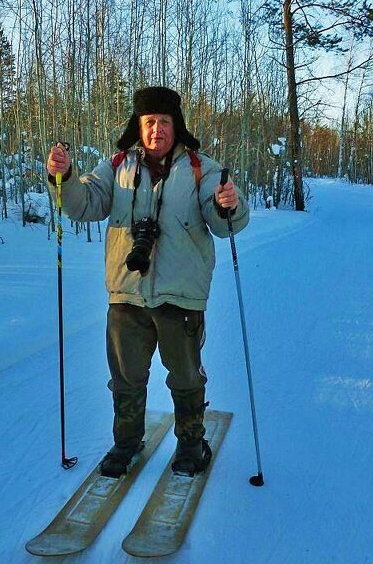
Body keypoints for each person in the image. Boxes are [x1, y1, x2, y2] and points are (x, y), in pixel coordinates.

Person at [46, 86, 249, 478]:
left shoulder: (200, 168)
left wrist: (230, 204)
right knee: (125, 378)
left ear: (177, 126)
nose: (157, 130)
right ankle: (125, 444)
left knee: (186, 376)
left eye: (165, 122)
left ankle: (192, 444)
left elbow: (224, 223)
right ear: (138, 126)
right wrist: (64, 177)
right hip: (127, 292)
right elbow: (83, 204)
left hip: (182, 293)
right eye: (150, 122)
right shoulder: (118, 164)